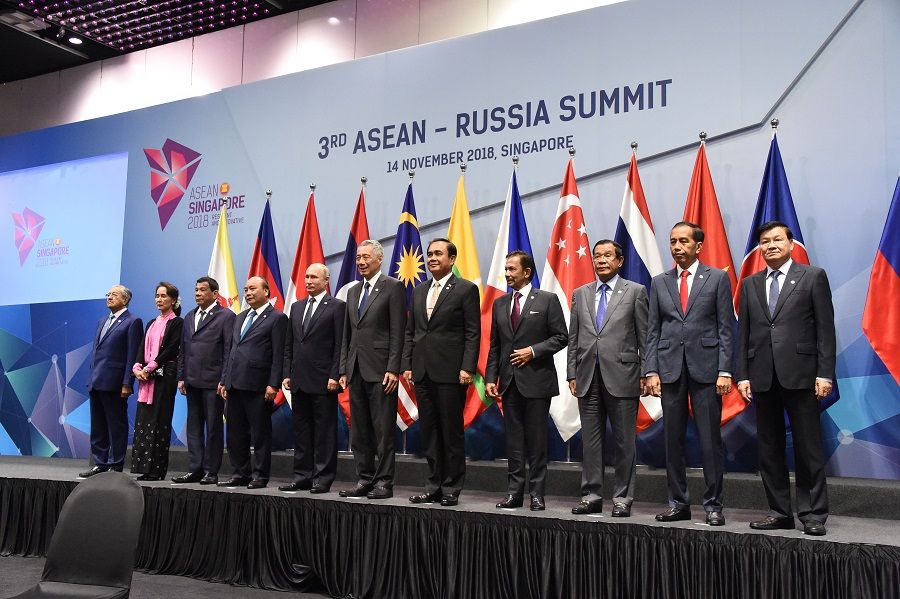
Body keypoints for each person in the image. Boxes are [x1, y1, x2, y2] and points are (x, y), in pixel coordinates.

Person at [737, 221, 835, 536]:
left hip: (802, 375)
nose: (771, 245)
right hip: (762, 377)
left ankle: (813, 514)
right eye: (765, 241)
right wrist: (742, 376)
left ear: (790, 244)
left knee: (808, 449)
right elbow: (745, 335)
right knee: (769, 449)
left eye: (777, 239)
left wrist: (824, 373)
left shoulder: (812, 277)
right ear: (759, 248)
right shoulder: (750, 284)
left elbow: (825, 330)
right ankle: (779, 511)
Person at [644, 222, 735, 526]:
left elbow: (725, 328)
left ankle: (713, 505)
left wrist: (725, 370)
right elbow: (652, 331)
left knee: (710, 441)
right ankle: (677, 503)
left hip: (707, 369)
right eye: (672, 241)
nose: (677, 246)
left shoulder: (718, 278)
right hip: (670, 370)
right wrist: (651, 370)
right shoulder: (659, 282)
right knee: (673, 441)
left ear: (698, 246)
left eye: (683, 241)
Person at [567, 240, 648, 516]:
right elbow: (574, 337)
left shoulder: (635, 292)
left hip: (624, 376)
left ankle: (623, 498)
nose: (601, 260)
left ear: (619, 261)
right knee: (591, 441)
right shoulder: (580, 293)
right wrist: (571, 373)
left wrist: (647, 373)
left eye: (607, 256)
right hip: (587, 376)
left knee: (625, 442)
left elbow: (644, 337)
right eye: (597, 256)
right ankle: (591, 495)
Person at [486, 250, 567, 511]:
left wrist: (532, 352)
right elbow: (495, 346)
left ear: (527, 272)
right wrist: (490, 377)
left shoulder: (547, 300)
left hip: (537, 382)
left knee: (536, 441)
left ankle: (537, 494)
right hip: (509, 383)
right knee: (513, 441)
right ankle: (514, 493)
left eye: (512, 269)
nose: (507, 274)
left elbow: (561, 337)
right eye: (506, 269)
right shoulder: (500, 304)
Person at [403, 239, 480, 507]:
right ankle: (433, 486)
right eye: (430, 253)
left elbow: (473, 332)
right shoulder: (419, 290)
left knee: (451, 432)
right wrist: (408, 364)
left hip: (451, 372)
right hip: (422, 371)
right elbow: (411, 331)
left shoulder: (466, 289)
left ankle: (451, 488)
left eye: (438, 253)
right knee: (430, 432)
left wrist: (467, 367)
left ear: (452, 259)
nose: (432, 257)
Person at [338, 240, 406, 500]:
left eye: (366, 257)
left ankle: (383, 483)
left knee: (382, 431)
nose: (361, 262)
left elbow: (398, 331)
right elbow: (347, 333)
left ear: (379, 259)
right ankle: (364, 478)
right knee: (360, 431)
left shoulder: (393, 287)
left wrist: (393, 368)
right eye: (358, 258)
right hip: (355, 369)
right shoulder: (353, 291)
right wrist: (344, 367)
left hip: (381, 371)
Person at [280, 264, 346, 493]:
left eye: (313, 277)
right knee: (301, 431)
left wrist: (334, 375)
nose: (308, 280)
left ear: (326, 280)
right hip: (298, 379)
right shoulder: (296, 307)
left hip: (323, 381)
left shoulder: (337, 306)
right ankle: (302, 476)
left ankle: (323, 478)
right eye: (306, 276)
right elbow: (289, 344)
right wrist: (286, 373)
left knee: (324, 433)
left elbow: (340, 344)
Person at [218, 276, 288, 489]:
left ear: (266, 292)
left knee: (260, 434)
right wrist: (224, 379)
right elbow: (231, 350)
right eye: (245, 289)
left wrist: (273, 384)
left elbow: (279, 354)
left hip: (259, 385)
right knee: (235, 433)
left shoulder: (277, 318)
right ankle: (240, 472)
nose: (247, 293)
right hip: (234, 384)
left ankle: (260, 475)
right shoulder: (239, 318)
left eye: (252, 289)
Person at [172, 276, 235, 485]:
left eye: (202, 290)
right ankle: (195, 469)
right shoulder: (189, 316)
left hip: (213, 382)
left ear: (215, 294)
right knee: (194, 428)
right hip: (191, 381)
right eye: (196, 290)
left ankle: (211, 471)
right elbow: (183, 349)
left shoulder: (226, 316)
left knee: (214, 428)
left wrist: (224, 379)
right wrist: (181, 376)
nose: (197, 293)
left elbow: (228, 350)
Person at [80, 285, 143, 478]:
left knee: (116, 425)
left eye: (114, 295)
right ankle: (100, 462)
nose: (109, 297)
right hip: (96, 381)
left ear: (125, 299)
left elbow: (132, 354)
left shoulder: (133, 321)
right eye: (108, 294)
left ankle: (116, 464)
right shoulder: (102, 321)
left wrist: (127, 383)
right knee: (98, 424)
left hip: (116, 383)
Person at [130, 282, 184, 481]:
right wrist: (137, 367)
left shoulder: (177, 322)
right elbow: (141, 346)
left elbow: (171, 349)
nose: (159, 299)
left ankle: (157, 470)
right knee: (144, 422)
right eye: (157, 296)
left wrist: (151, 366)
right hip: (146, 378)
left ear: (173, 300)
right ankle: (144, 468)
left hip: (163, 378)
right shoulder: (151, 322)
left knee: (159, 421)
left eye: (163, 296)